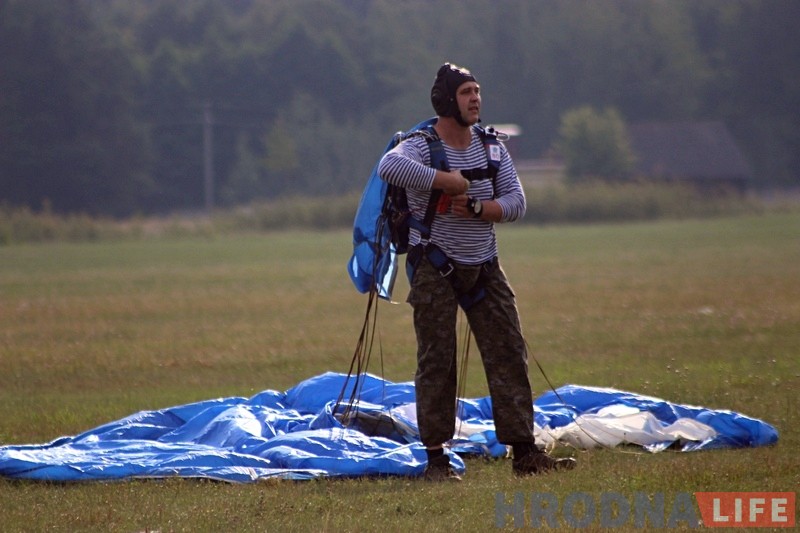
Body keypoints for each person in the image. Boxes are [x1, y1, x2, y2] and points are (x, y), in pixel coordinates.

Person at [378, 63, 577, 481]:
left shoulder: (492, 148)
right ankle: (436, 460)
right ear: (448, 100)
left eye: (478, 91)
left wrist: (474, 207)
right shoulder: (420, 145)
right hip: (435, 268)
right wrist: (445, 180)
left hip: (485, 266)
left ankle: (524, 453)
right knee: (438, 361)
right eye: (467, 92)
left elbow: (516, 203)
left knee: (508, 351)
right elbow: (388, 168)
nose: (476, 99)